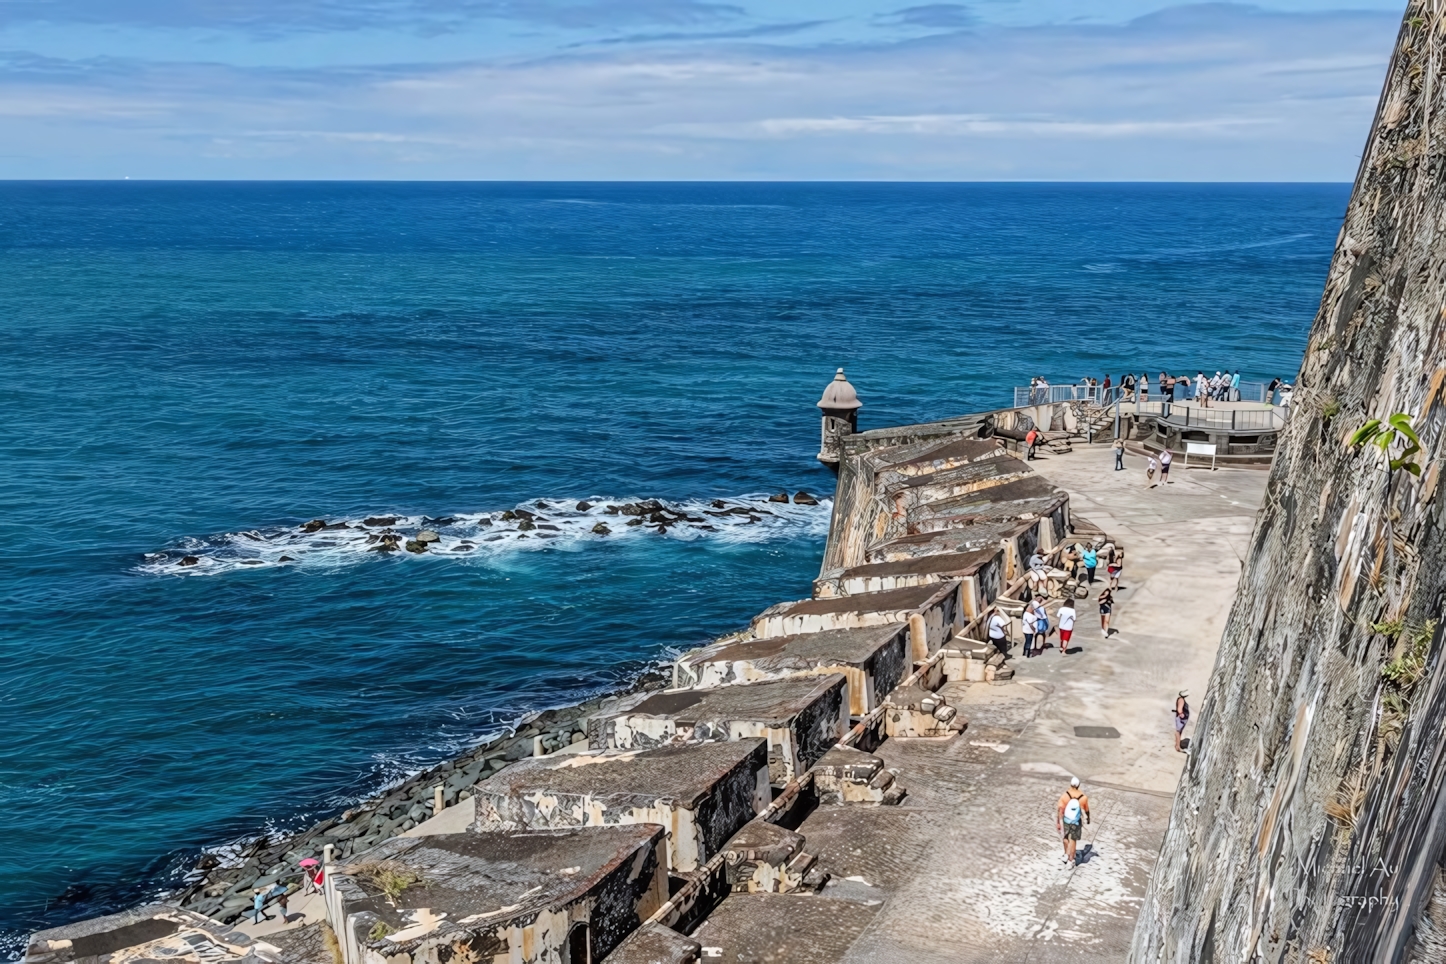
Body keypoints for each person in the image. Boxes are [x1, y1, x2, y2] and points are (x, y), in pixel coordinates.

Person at [1057, 777, 1090, 866]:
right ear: (1078, 785)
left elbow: (1060, 810)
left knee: (1065, 837)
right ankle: (1071, 860)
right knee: (1073, 839)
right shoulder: (1083, 797)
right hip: (1076, 821)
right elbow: (1086, 810)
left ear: (1070, 784)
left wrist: (1058, 822)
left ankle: (1066, 854)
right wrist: (1088, 818)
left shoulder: (1065, 795)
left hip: (1066, 820)